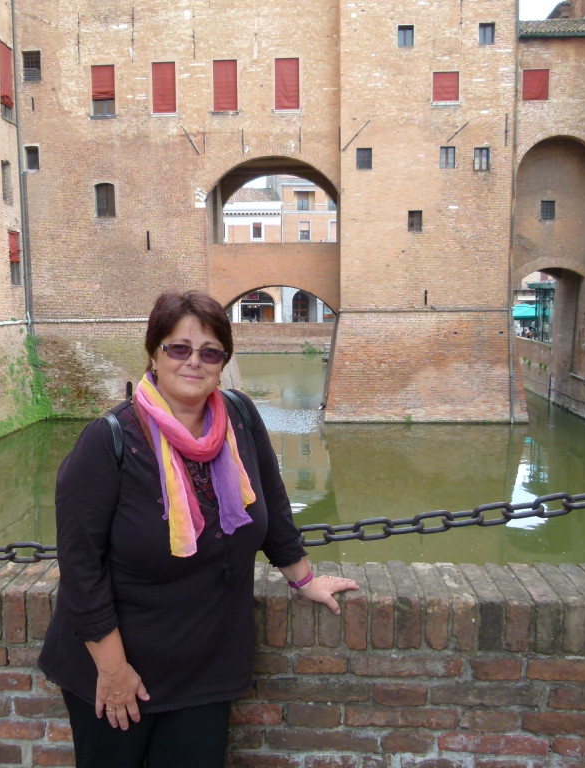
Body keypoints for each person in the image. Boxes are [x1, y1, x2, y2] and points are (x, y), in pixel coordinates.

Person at [38, 290, 359, 768]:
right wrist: (112, 668)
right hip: (121, 670)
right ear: (154, 352)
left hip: (206, 666)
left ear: (223, 361)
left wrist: (305, 578)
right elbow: (81, 567)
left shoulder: (242, 419)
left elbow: (272, 505)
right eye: (179, 348)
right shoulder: (108, 442)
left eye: (210, 352)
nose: (195, 362)